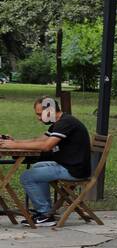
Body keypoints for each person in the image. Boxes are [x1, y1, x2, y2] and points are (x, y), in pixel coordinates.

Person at [0, 96, 92, 226]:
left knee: (27, 177)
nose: (38, 118)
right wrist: (14, 143)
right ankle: (46, 212)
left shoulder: (66, 123)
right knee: (37, 167)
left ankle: (45, 214)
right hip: (67, 164)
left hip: (75, 169)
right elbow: (39, 140)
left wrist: (12, 146)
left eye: (39, 114)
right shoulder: (59, 122)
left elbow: (46, 146)